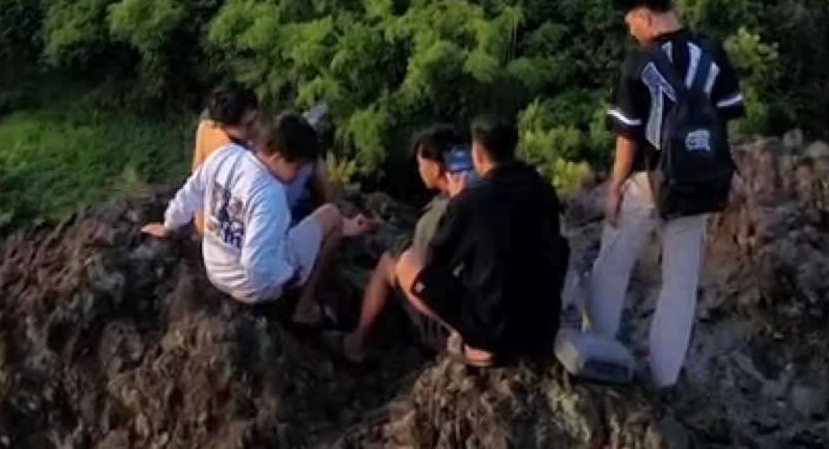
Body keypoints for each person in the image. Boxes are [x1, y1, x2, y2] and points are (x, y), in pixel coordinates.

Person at [584, 0, 744, 389]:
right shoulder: (711, 54)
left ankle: (599, 350)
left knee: (613, 265)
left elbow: (628, 135)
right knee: (680, 281)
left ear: (644, 16)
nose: (629, 27)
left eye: (629, 19)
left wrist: (615, 187)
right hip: (699, 183)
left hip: (646, 182)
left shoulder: (641, 62)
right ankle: (663, 376)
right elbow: (725, 119)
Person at [144, 112, 372, 325]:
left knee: (288, 232)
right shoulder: (271, 196)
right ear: (277, 156)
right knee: (331, 214)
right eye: (298, 167)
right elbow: (255, 262)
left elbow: (190, 193)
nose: (298, 175)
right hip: (251, 286)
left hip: (214, 265)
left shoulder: (226, 155)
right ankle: (304, 308)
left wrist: (169, 226)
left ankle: (341, 229)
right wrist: (289, 276)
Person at [403, 114, 569, 366]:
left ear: (478, 154)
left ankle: (472, 344)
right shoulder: (542, 189)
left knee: (408, 264)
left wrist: (456, 205)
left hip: (495, 332)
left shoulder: (472, 201)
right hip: (542, 328)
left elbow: (434, 265)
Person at [340, 125, 472, 364]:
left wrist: (387, 236)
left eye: (421, 163)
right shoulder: (473, 192)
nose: (419, 169)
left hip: (451, 324)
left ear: (434, 166)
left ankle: (356, 342)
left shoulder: (446, 211)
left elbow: (423, 264)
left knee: (388, 262)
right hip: (476, 306)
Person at [190, 83, 261, 234]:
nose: (257, 126)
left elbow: (196, 173)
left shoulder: (205, 128)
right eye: (250, 123)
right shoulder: (240, 156)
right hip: (227, 231)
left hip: (205, 222)